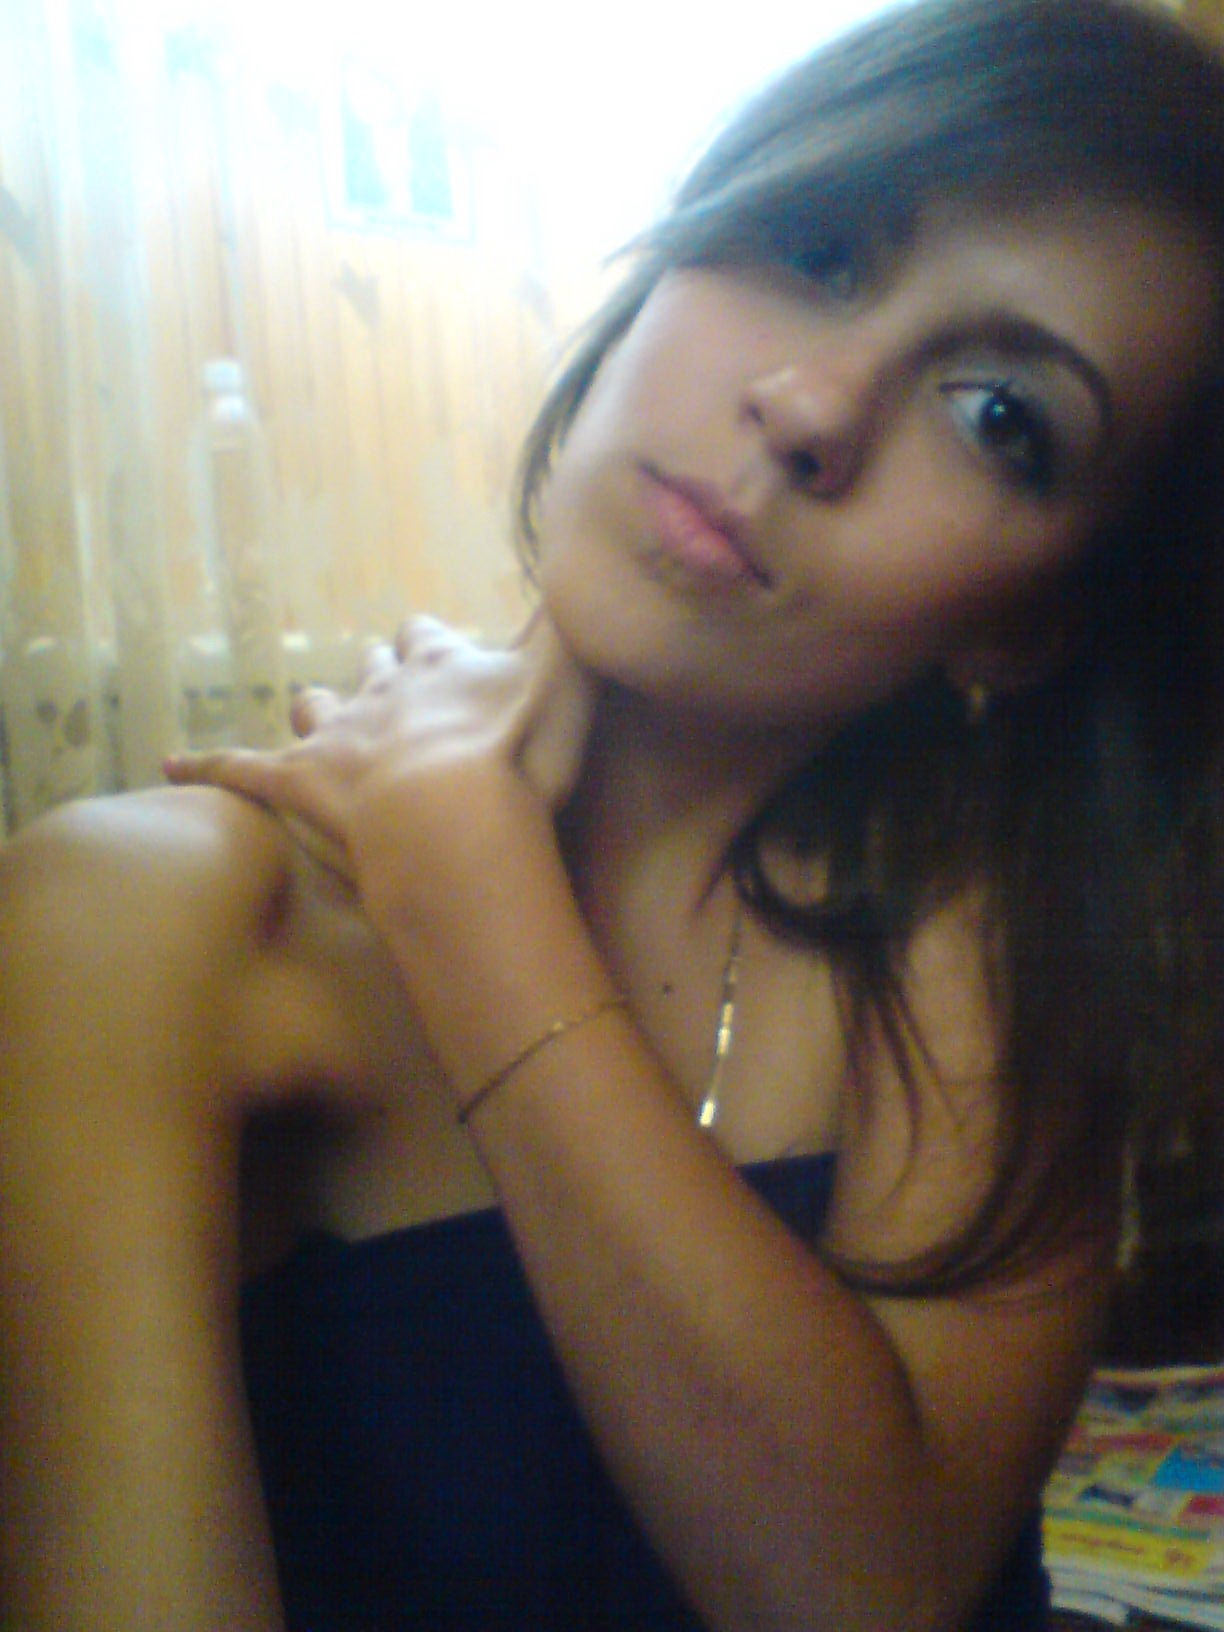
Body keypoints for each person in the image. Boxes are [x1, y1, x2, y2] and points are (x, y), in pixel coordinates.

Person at [3, 0, 1224, 1627]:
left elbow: (871, 1598)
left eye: (1001, 416)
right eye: (817, 248)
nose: (813, 408)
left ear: (1032, 621)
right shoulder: (140, 921)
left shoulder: (987, 941)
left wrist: (469, 878)